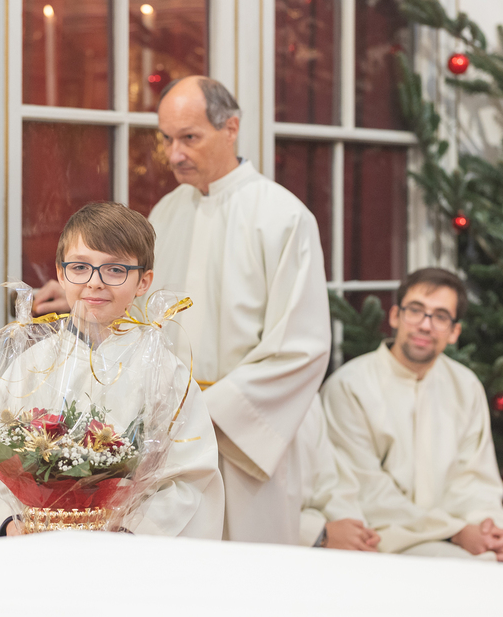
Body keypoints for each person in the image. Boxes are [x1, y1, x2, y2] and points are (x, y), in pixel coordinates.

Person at [33, 76, 331, 544]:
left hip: (246, 438)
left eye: (189, 138)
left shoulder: (284, 217)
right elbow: (139, 309)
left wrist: (198, 412)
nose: (174, 155)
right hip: (167, 433)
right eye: (167, 139)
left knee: (250, 565)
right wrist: (84, 292)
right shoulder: (167, 212)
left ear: (231, 128)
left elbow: (300, 346)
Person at [0, 202, 224, 539]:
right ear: (60, 274)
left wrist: (127, 530)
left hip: (125, 550)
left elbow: (190, 478)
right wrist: (8, 524)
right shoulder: (30, 366)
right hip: (37, 545)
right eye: (80, 267)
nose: (95, 282)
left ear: (143, 281)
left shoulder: (166, 373)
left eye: (115, 270)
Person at [321, 268, 503, 564]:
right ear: (395, 316)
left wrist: (487, 528)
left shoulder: (465, 387)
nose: (425, 325)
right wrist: (454, 532)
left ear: (454, 332)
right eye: (415, 311)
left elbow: (475, 481)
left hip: (458, 530)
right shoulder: (350, 386)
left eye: (440, 316)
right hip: (387, 536)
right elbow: (367, 491)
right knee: (469, 571)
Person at [297, 403, 380, 551]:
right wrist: (319, 535)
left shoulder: (309, 403)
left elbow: (331, 486)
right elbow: (260, 518)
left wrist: (360, 536)